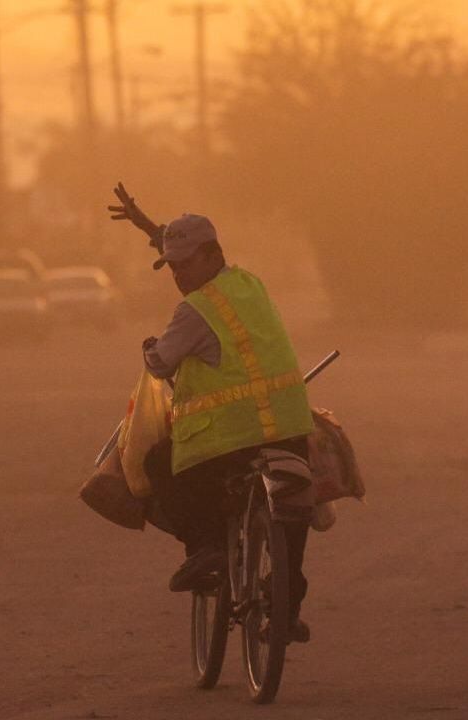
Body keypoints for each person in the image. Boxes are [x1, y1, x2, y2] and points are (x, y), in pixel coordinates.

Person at [108, 182, 315, 643]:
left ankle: (205, 549)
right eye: (171, 266)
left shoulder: (194, 312)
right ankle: (288, 604)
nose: (178, 274)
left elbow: (161, 363)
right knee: (295, 510)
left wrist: (148, 349)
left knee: (160, 464)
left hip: (230, 440)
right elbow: (178, 241)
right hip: (289, 428)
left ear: (210, 256)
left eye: (184, 264)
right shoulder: (248, 284)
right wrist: (146, 224)